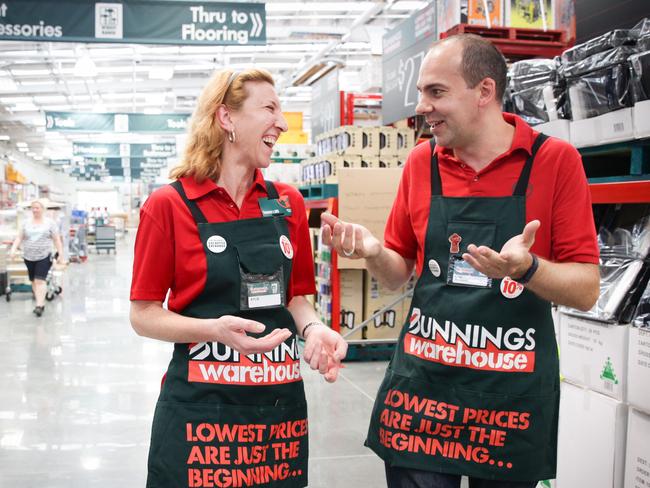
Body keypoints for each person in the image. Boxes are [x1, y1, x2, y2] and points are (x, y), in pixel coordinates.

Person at [322, 34, 600, 488]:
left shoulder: (554, 161)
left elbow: (587, 289)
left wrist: (526, 269)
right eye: (420, 94)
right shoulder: (420, 163)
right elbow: (397, 275)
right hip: (424, 391)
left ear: (484, 92)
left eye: (436, 92)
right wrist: (373, 253)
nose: (422, 107)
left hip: (508, 400)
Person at [129, 68, 347, 488]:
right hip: (202, 417)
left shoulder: (287, 203)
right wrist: (213, 330)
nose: (281, 122)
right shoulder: (168, 205)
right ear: (225, 118)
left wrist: (315, 328)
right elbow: (143, 314)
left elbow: (296, 296)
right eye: (269, 108)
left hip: (276, 415)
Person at [9, 199, 64, 317]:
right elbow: (19, 237)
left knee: (40, 280)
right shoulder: (25, 223)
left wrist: (61, 254)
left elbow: (56, 239)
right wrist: (13, 250)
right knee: (33, 281)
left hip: (44, 256)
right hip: (28, 256)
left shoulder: (50, 223)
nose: (34, 210)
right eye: (33, 208)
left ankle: (40, 305)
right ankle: (40, 301)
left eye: (37, 208)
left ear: (43, 209)